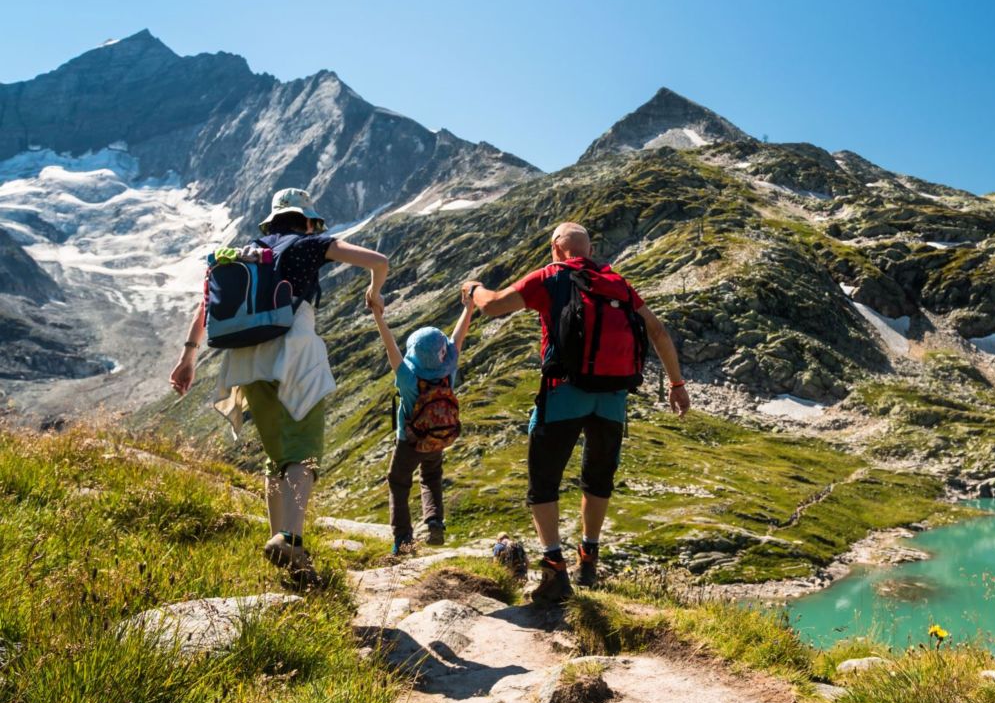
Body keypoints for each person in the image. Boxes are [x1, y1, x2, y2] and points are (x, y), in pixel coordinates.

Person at [169, 188, 389, 586]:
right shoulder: (309, 243)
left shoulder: (245, 254)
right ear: (306, 220)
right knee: (302, 454)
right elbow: (378, 260)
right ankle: (291, 539)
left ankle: (281, 543)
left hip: (247, 360)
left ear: (271, 222)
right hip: (295, 355)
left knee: (276, 454)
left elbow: (206, 307)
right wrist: (374, 290)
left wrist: (188, 357)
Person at [462, 222, 690, 603]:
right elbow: (658, 331)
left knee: (543, 482)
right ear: (588, 248)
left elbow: (493, 306)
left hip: (564, 392)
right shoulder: (617, 282)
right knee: (597, 479)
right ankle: (589, 558)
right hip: (613, 398)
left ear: (556, 248)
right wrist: (676, 384)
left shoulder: (551, 276)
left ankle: (554, 570)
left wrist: (472, 289)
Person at [371, 288, 474, 554]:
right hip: (437, 437)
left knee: (398, 481)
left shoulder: (408, 377)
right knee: (431, 476)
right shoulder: (448, 369)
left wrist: (377, 315)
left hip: (410, 441)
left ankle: (403, 539)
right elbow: (457, 337)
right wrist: (469, 307)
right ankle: (435, 522)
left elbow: (390, 346)